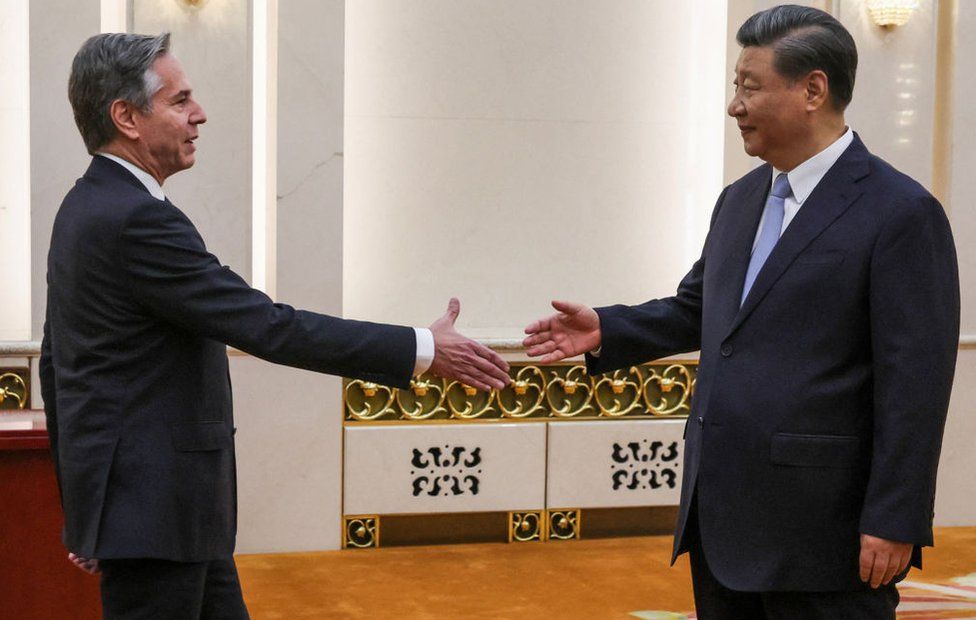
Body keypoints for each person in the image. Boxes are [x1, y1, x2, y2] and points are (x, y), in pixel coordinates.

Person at [40, 32, 510, 619]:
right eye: (181, 100)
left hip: (168, 516)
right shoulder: (133, 220)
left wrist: (88, 510)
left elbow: (59, 367)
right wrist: (420, 348)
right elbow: (268, 325)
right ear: (126, 117)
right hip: (156, 518)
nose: (200, 114)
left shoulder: (85, 207)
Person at [523, 5, 958, 617]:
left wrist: (895, 517)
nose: (735, 105)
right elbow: (699, 308)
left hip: (824, 535)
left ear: (813, 90)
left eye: (750, 87)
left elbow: (916, 385)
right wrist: (608, 328)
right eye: (736, 86)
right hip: (721, 522)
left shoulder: (900, 213)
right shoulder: (739, 199)